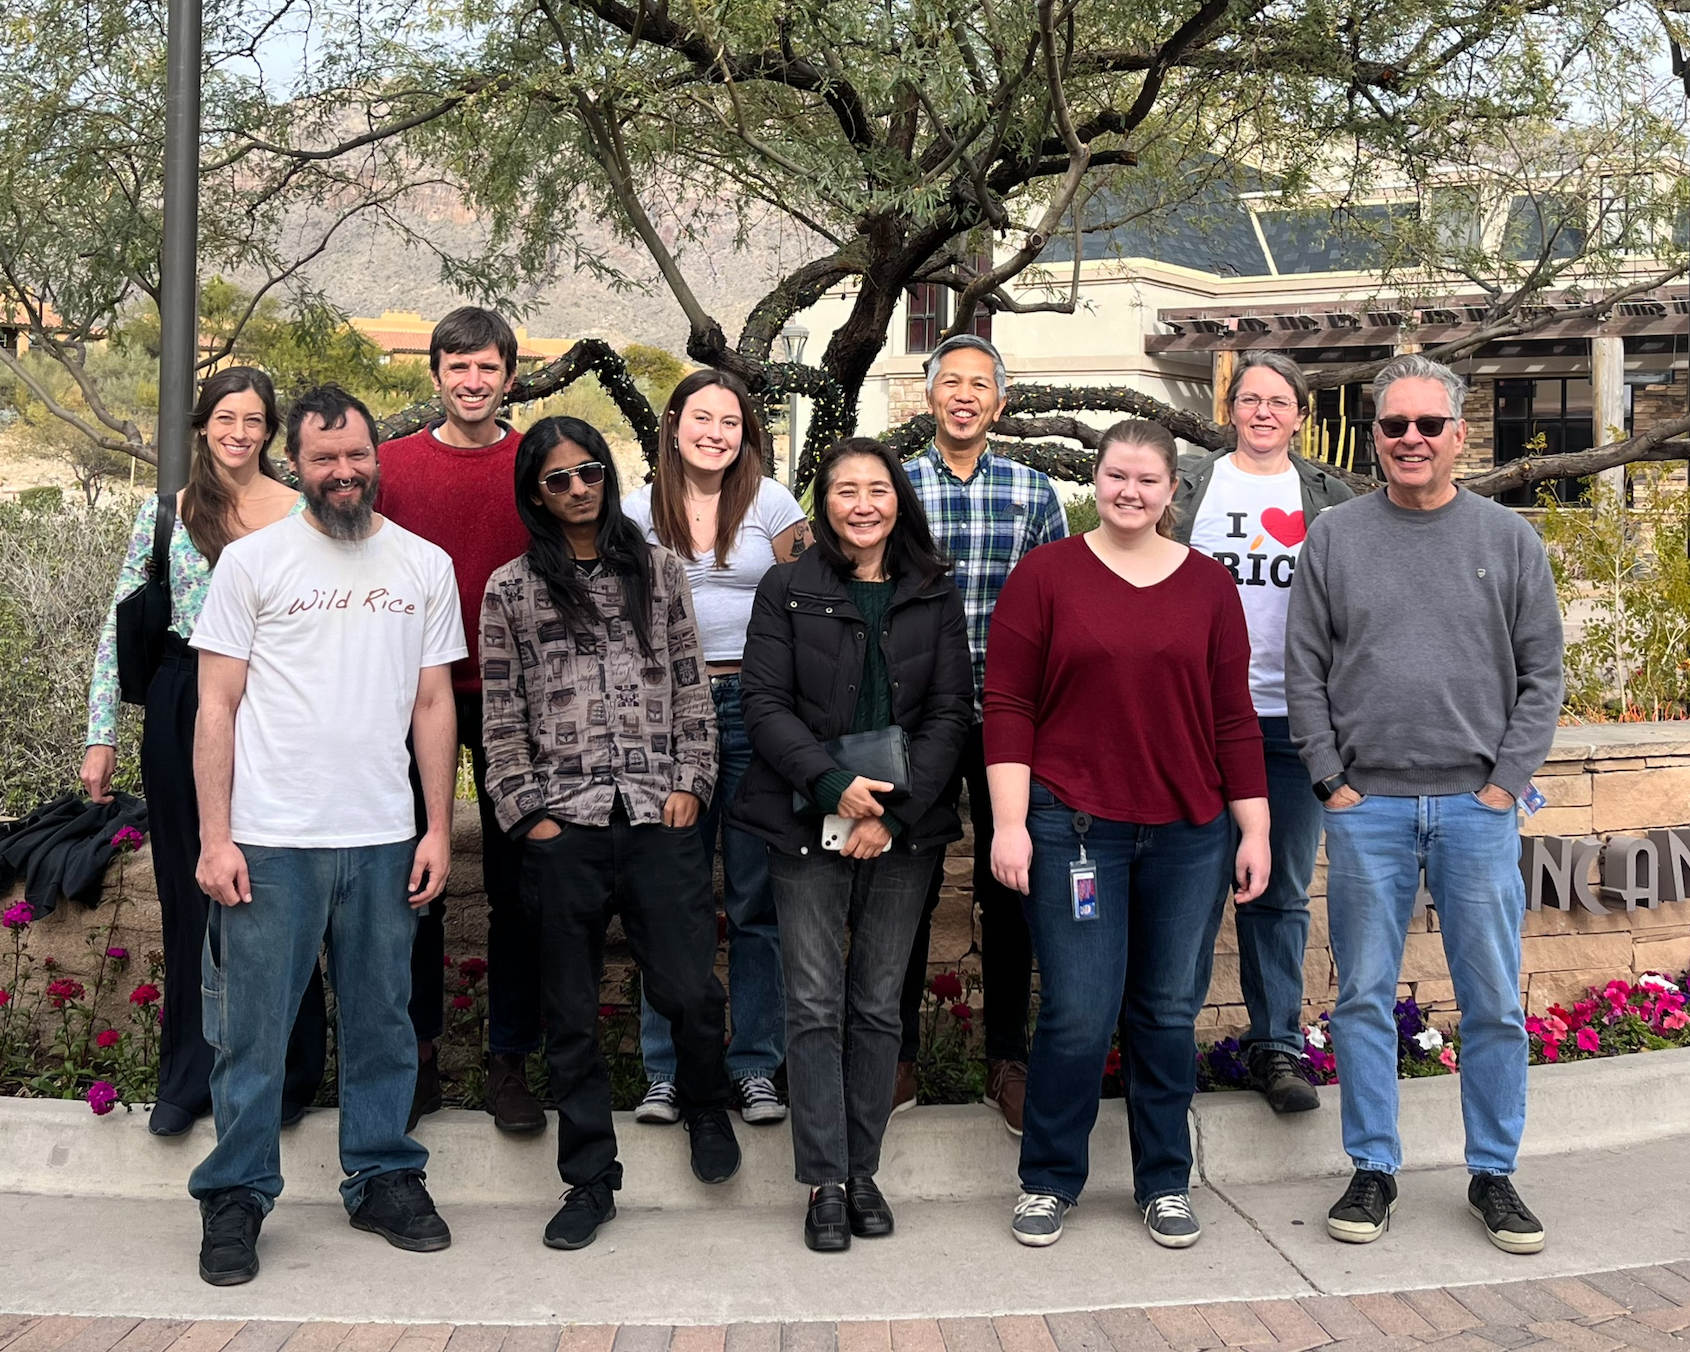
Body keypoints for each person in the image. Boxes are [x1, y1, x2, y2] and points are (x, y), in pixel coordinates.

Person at [1286, 355, 1563, 1255]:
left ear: (1460, 436)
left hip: (1476, 809)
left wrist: (1501, 786)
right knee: (1363, 998)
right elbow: (1306, 672)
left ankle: (1494, 1173)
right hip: (1368, 810)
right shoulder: (1334, 538)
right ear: (1374, 438)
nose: (1412, 439)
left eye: (1428, 426)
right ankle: (1373, 1168)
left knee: (1492, 1002)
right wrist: (1331, 779)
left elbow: (1542, 677)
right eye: (1395, 426)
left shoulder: (1508, 540)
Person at [187, 385, 463, 1286]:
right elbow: (216, 704)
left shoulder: (423, 564)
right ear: (295, 464)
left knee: (384, 1019)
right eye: (323, 459)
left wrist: (438, 828)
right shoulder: (254, 563)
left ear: (374, 457)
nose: (343, 473)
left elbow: (432, 704)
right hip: (270, 839)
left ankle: (381, 1176)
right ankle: (235, 1196)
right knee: (252, 1031)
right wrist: (216, 836)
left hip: (384, 835)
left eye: (355, 457)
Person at [986, 420, 1269, 1251]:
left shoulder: (1210, 588)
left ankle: (1164, 1182)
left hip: (1189, 836)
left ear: (1172, 491)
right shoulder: (1046, 577)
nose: (1130, 492)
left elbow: (1233, 718)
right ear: (1096, 480)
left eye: (1148, 480)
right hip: (1075, 828)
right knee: (1077, 1011)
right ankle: (1048, 1180)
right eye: (1117, 476)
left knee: (1166, 1012)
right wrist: (1010, 823)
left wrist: (1253, 829)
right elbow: (1008, 707)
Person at [480, 416, 741, 1253]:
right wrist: (533, 815)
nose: (576, 489)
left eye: (587, 471)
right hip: (566, 827)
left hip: (659, 816)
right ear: (535, 492)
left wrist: (692, 783)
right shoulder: (510, 590)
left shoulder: (657, 571)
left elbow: (694, 689)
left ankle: (705, 1104)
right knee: (569, 1014)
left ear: (606, 473)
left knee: (691, 991)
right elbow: (500, 714)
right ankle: (590, 1179)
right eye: (556, 479)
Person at [732, 437, 972, 1252]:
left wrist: (890, 816)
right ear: (823, 504)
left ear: (898, 499)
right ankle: (823, 1181)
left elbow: (950, 714)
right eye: (845, 491)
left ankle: (863, 1169)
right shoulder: (786, 588)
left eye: (877, 488)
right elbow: (764, 706)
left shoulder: (933, 592)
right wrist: (834, 789)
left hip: (904, 830)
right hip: (804, 823)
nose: (863, 503)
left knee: (875, 1005)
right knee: (812, 1005)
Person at [82, 367, 326, 1139]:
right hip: (183, 698)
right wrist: (101, 734)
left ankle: (289, 1073)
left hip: (275, 701)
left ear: (270, 430)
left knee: (279, 884)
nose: (239, 433)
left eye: (254, 420)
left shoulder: (299, 514)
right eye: (227, 417)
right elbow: (116, 627)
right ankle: (188, 1079)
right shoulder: (169, 514)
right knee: (192, 893)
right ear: (204, 425)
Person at [623, 369, 810, 1129]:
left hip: (758, 712)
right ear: (673, 424)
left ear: (746, 434)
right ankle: (669, 1069)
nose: (715, 433)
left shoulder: (773, 504)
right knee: (672, 901)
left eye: (730, 422)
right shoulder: (636, 513)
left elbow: (812, 593)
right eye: (702, 418)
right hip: (670, 718)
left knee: (757, 903)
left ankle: (755, 1066)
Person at [374, 306, 544, 1134]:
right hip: (411, 697)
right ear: (435, 374)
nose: (472, 381)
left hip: (521, 699)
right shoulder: (391, 468)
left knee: (523, 889)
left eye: (488, 368)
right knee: (412, 884)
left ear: (510, 376)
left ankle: (510, 1059)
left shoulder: (538, 464)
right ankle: (420, 1058)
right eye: (457, 366)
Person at [1173, 351, 1354, 1114]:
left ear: (1301, 415)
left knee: (1277, 890)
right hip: (1194, 716)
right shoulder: (1188, 484)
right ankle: (1163, 1046)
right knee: (1183, 888)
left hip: (1292, 722)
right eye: (1250, 399)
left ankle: (1277, 1047)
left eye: (1279, 401)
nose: (1263, 412)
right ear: (1231, 408)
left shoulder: (1330, 500)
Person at [900, 333, 1067, 1133]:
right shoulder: (894, 490)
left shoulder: (1033, 492)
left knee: (1012, 890)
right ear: (929, 396)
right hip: (916, 719)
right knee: (905, 881)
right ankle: (894, 1056)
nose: (964, 395)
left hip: (1010, 718)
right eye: (950, 382)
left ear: (1000, 403)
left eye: (980, 385)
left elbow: (1060, 612)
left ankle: (1007, 1058)